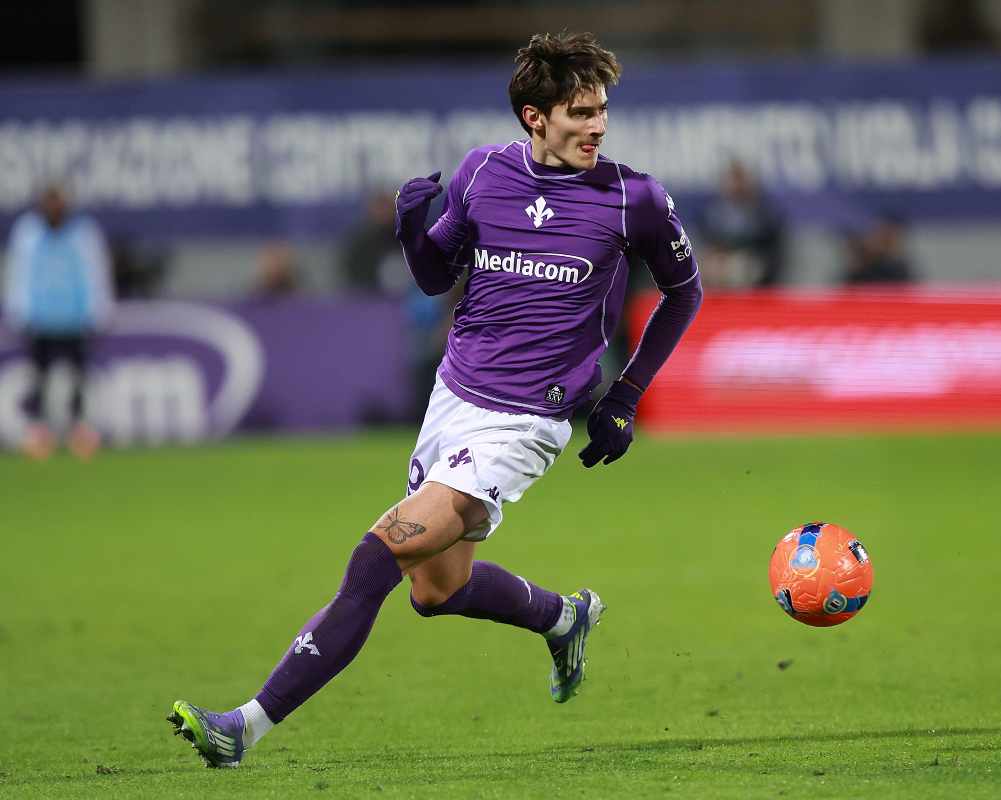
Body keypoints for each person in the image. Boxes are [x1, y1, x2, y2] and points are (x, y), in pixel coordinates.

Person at [167, 31, 703, 768]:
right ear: (535, 117)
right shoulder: (483, 172)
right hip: (453, 398)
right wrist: (411, 230)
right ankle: (563, 618)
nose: (598, 126)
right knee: (436, 590)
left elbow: (683, 293)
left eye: (602, 110)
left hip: (526, 421)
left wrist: (626, 396)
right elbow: (433, 275)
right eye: (581, 113)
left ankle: (243, 728)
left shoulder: (631, 198)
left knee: (378, 555)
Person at [2, 183, 113, 460]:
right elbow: (20, 274)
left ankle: (80, 430)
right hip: (41, 319)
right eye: (50, 202)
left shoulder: (83, 233)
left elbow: (95, 272)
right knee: (38, 378)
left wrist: (98, 309)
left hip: (74, 319)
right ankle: (39, 432)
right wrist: (19, 310)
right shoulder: (28, 232)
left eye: (58, 202)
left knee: (79, 377)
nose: (54, 208)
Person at [699, 160, 785, 289]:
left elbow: (763, 239)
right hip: (722, 258)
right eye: (731, 180)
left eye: (739, 180)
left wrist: (732, 246)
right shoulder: (716, 208)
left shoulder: (761, 208)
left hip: (751, 258)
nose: (735, 185)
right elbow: (709, 236)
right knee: (707, 266)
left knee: (738, 268)